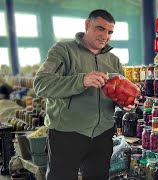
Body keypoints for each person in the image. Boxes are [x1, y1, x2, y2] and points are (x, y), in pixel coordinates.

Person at [33, 9, 138, 180]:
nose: (105, 36)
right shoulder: (63, 50)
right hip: (66, 133)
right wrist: (81, 80)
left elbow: (117, 95)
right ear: (87, 25)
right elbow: (41, 85)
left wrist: (125, 103)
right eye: (100, 28)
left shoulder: (114, 61)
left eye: (110, 32)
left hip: (102, 135)